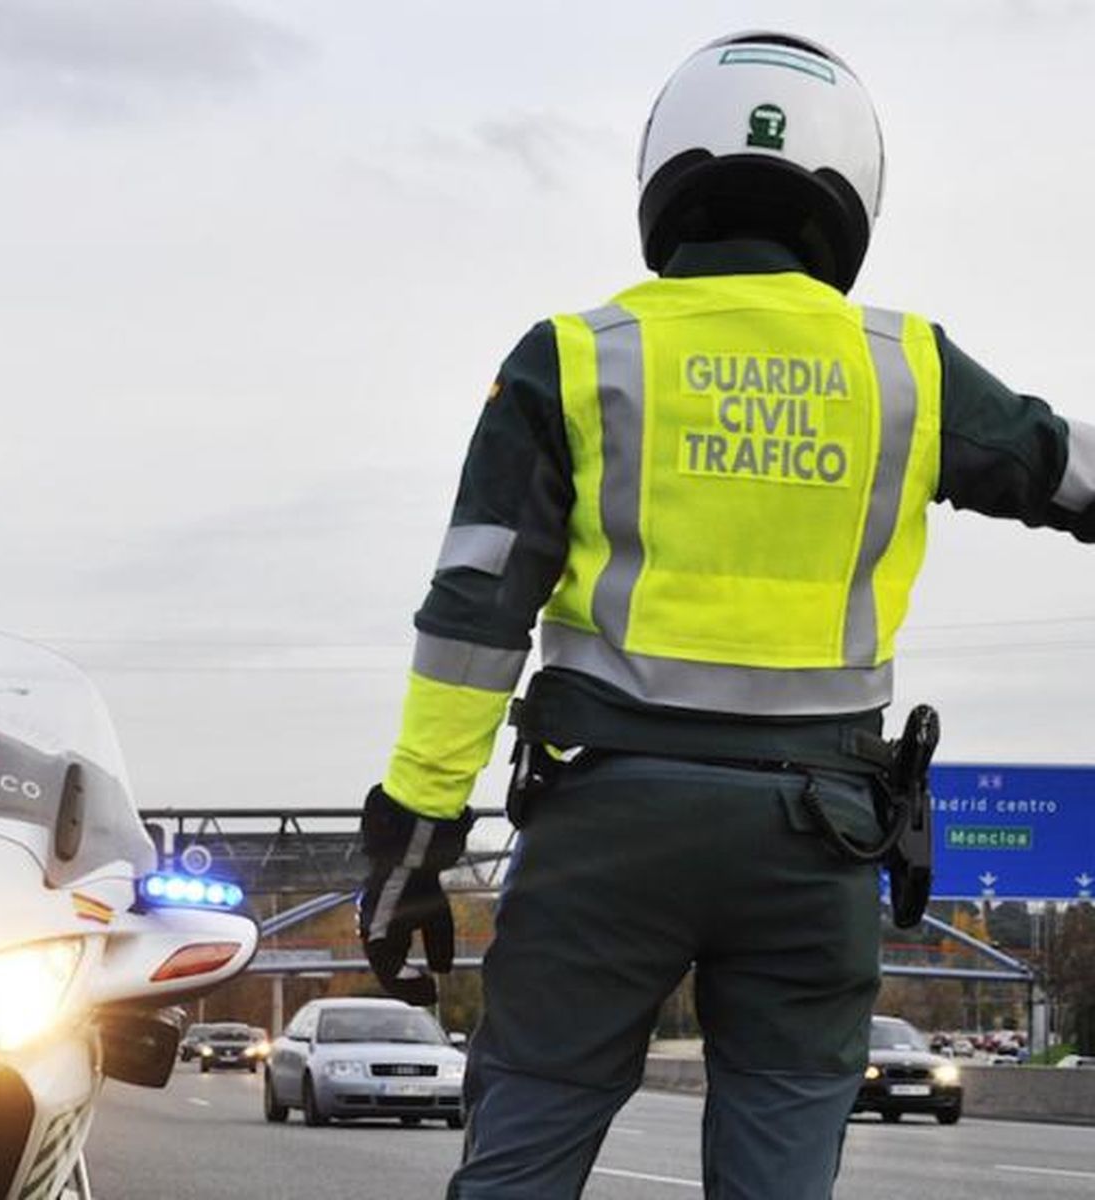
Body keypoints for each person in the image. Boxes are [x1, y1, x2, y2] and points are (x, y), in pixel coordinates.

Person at [357, 30, 1095, 1200]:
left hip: (607, 827)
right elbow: (1066, 470)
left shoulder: (574, 359)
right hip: (818, 845)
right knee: (781, 1158)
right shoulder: (907, 369)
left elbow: (474, 613)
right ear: (852, 186)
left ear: (666, 172)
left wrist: (415, 827)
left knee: (526, 1148)